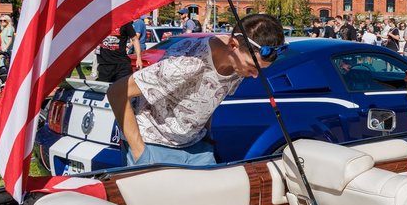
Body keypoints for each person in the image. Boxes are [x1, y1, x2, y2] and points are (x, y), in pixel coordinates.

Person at [108, 14, 285, 167]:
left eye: (260, 70)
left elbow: (210, 97)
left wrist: (207, 136)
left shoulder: (238, 65)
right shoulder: (188, 63)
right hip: (154, 145)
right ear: (233, 45)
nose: (254, 75)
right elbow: (117, 92)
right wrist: (140, 153)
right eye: (252, 67)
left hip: (196, 147)